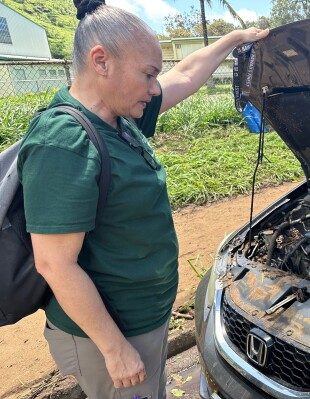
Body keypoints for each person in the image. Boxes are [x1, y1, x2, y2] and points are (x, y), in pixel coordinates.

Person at [16, 1, 268, 398]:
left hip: (142, 319)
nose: (155, 87)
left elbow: (185, 74)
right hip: (111, 335)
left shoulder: (120, 117)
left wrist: (235, 39)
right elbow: (54, 262)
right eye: (148, 74)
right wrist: (115, 349)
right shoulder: (64, 141)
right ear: (101, 61)